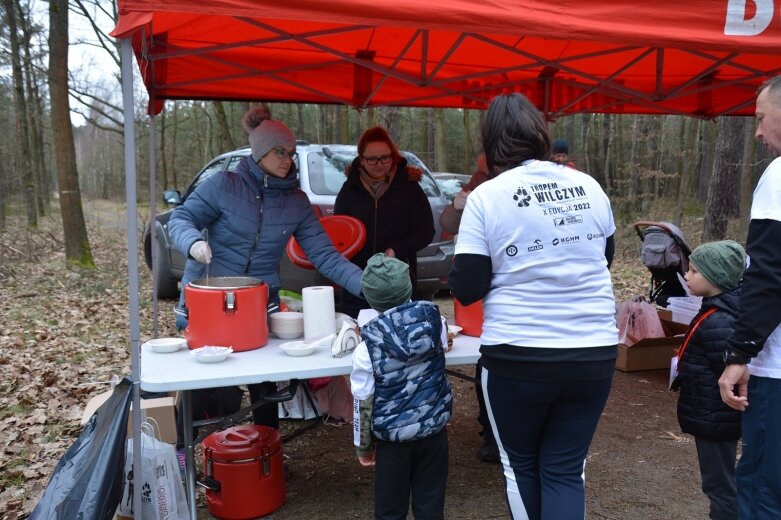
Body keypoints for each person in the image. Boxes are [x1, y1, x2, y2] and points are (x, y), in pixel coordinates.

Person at [448, 93, 617, 520]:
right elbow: (604, 257)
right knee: (564, 470)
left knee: (519, 464)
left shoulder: (486, 197)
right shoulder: (589, 187)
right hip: (592, 352)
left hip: (518, 354)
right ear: (540, 134)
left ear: (490, 143)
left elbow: (467, 288)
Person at [168, 106, 364, 456]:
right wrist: (193, 243)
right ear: (259, 152)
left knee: (265, 378)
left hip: (260, 301)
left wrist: (368, 285)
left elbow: (325, 255)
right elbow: (181, 218)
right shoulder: (222, 185)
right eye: (279, 152)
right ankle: (181, 452)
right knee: (203, 383)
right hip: (210, 299)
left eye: (290, 153)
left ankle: (267, 453)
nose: (287, 159)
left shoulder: (296, 202)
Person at [719, 75, 781, 520]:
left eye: (761, 117)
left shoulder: (779, 175)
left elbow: (768, 274)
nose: (757, 131)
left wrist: (741, 352)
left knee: (763, 488)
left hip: (777, 372)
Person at [350, 253, 452, 520]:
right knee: (431, 504)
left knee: (390, 509)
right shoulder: (435, 322)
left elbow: (363, 400)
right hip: (433, 431)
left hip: (393, 441)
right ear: (409, 287)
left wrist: (363, 445)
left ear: (370, 299)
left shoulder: (366, 347)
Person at [674, 240, 745, 520]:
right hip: (712, 415)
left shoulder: (720, 320)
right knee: (719, 483)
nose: (687, 276)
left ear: (715, 277)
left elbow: (732, 370)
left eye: (693, 271)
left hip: (717, 417)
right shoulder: (715, 310)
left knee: (720, 485)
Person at [334, 126, 435, 318]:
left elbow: (425, 231)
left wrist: (397, 249)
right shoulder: (350, 189)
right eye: (372, 159)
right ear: (361, 159)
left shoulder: (409, 187)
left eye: (385, 158)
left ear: (393, 156)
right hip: (357, 285)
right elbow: (340, 232)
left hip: (397, 284)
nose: (379, 164)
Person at [439, 152, 499, 463]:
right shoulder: (477, 184)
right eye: (479, 170)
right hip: (478, 285)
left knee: (498, 361)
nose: (480, 173)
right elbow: (447, 223)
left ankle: (498, 433)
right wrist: (456, 206)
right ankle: (490, 432)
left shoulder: (515, 188)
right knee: (484, 358)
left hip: (506, 289)